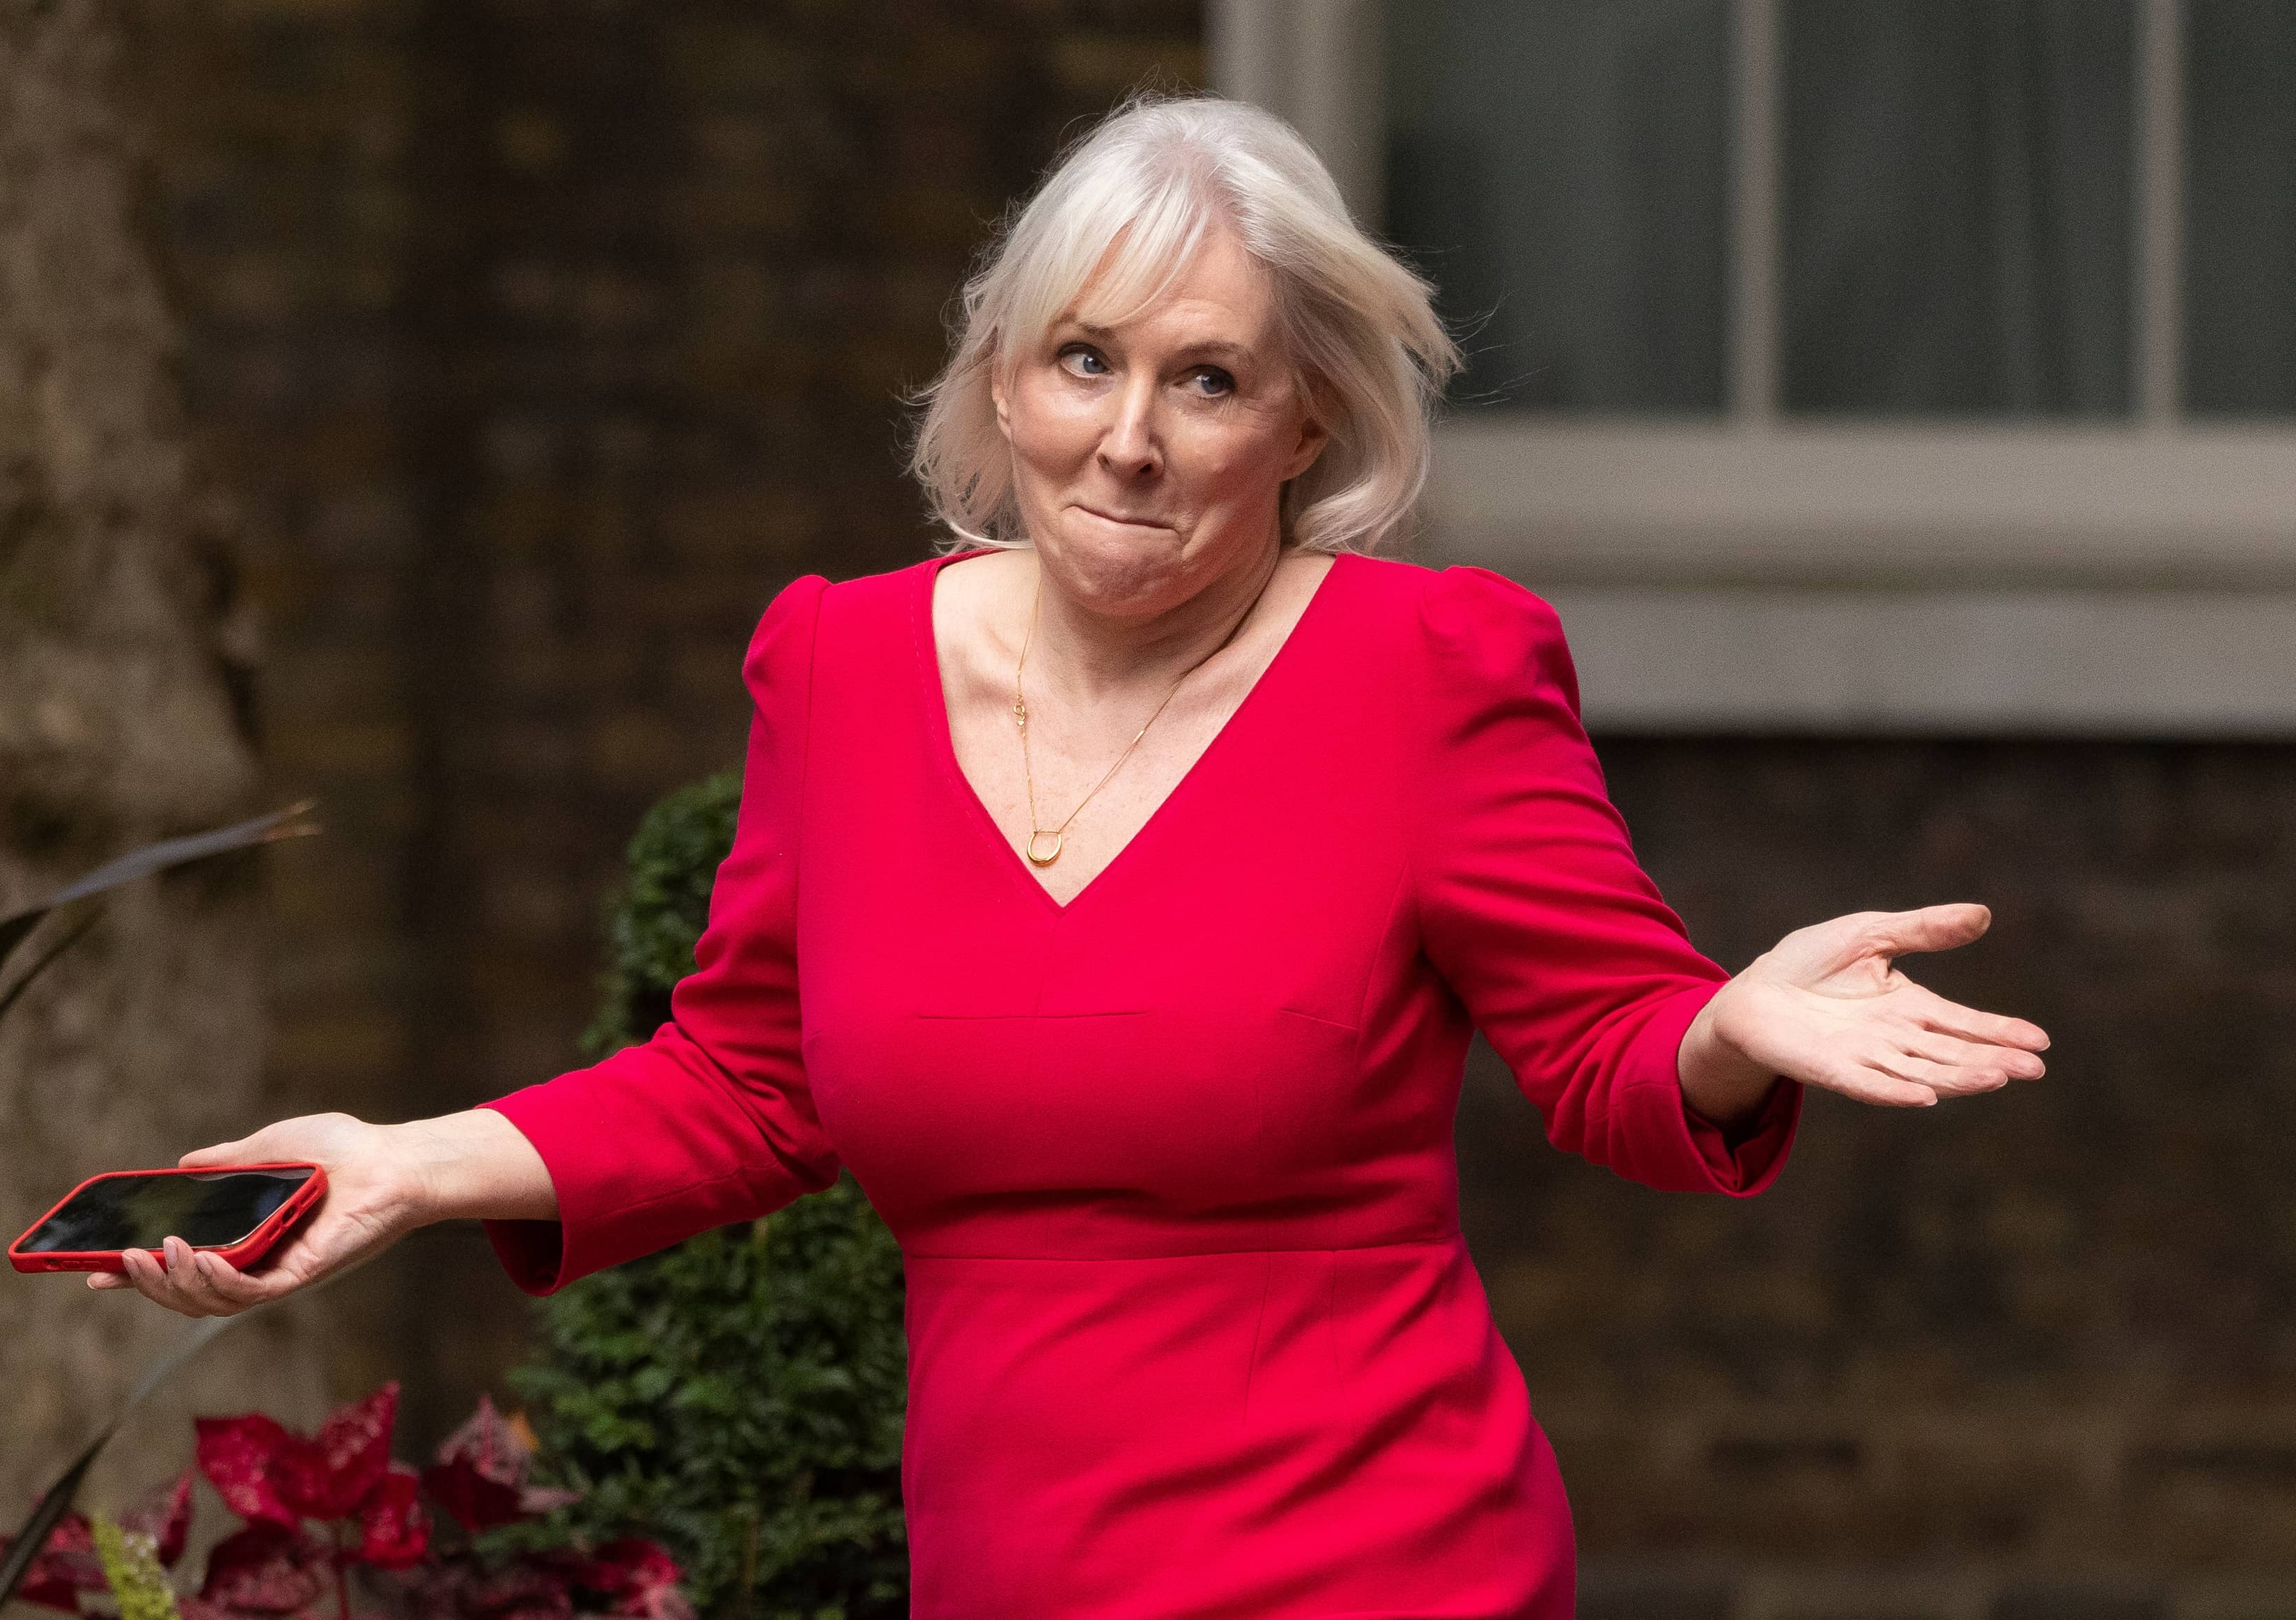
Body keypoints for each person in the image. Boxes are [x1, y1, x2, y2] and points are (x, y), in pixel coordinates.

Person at [100, 93, 2050, 1619]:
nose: (1130, 438)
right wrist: (401, 1168)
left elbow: (1611, 1041)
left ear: (1306, 419)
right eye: (1083, 361)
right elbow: (752, 1079)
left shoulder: (1431, 670)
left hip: (1378, 1563)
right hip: (1008, 1571)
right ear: (1001, 383)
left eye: (1208, 378)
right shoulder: (840, 667)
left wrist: (1725, 1028)